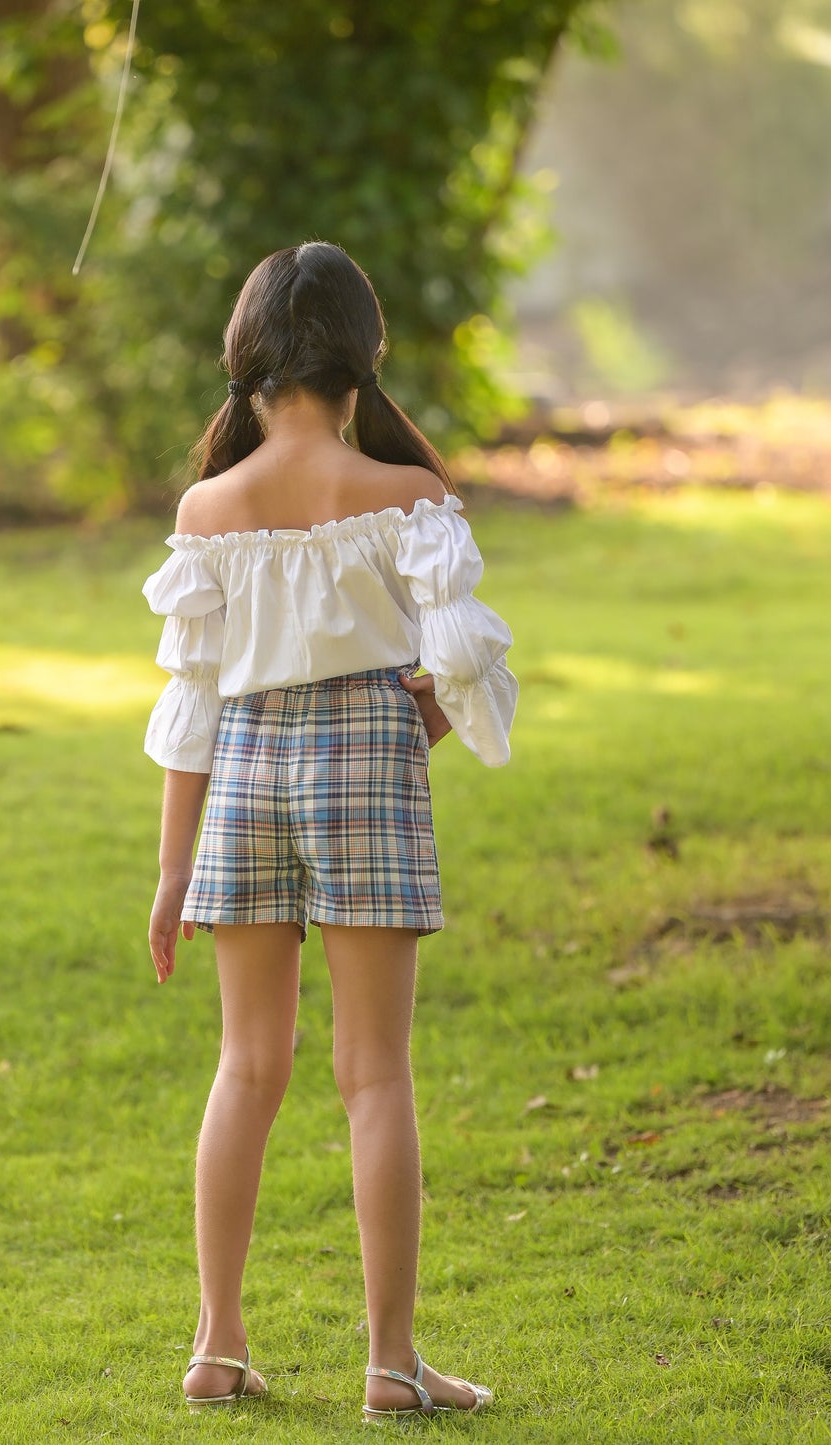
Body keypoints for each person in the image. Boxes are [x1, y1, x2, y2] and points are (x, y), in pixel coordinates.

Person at [142, 241, 518, 1423]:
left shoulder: (209, 509)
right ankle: (391, 1364)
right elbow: (461, 667)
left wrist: (169, 872)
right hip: (363, 756)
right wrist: (401, 734)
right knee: (373, 1074)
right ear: (364, 359)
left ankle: (216, 1341)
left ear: (245, 364)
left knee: (245, 1066)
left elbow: (193, 703)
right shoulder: (405, 500)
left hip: (244, 773)